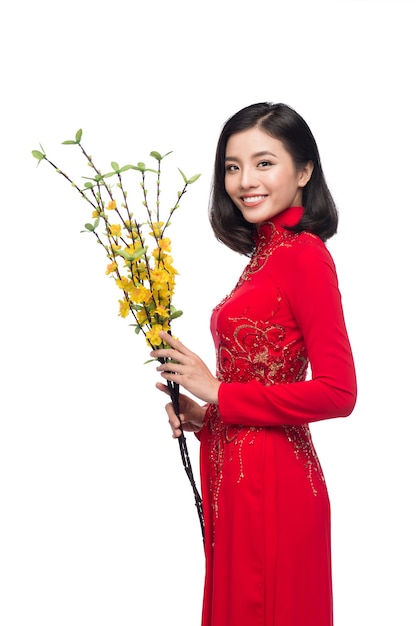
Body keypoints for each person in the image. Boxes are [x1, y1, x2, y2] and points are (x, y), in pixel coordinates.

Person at [150, 102, 357, 626]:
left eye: (264, 163)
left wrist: (220, 394)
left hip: (277, 488)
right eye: (232, 166)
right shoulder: (263, 260)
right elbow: (260, 384)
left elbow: (339, 392)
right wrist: (207, 417)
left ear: (304, 170)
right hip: (234, 478)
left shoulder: (304, 255)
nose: (245, 181)